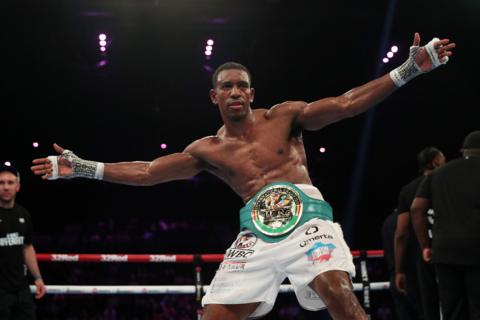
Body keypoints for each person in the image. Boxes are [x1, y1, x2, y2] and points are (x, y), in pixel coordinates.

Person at [31, 33, 455, 320]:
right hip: (255, 233)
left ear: (252, 93)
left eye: (242, 86)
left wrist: (408, 71)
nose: (235, 92)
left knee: (340, 295)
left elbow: (346, 104)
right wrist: (84, 167)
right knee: (213, 314)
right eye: (227, 86)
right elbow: (146, 173)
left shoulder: (285, 116)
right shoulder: (207, 150)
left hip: (308, 221)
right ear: (214, 96)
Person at [411, 131, 480, 320]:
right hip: (476, 248)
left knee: (452, 310)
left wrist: (426, 245)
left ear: (464, 151)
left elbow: (417, 209)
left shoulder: (438, 173)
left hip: (444, 251)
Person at [394, 147, 445, 320]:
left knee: (429, 307)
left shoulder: (408, 190)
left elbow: (402, 233)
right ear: (436, 162)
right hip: (448, 250)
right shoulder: (449, 182)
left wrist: (399, 269)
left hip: (423, 256)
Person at [0, 165, 46, 320]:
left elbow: (27, 248)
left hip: (21, 289)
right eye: (1, 183)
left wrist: (38, 277)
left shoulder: (23, 214)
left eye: (10, 182)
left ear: (17, 186)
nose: (6, 187)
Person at [381, 208, 419, 320]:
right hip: (412, 277)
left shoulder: (387, 222)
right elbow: (401, 237)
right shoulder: (410, 220)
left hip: (395, 277)